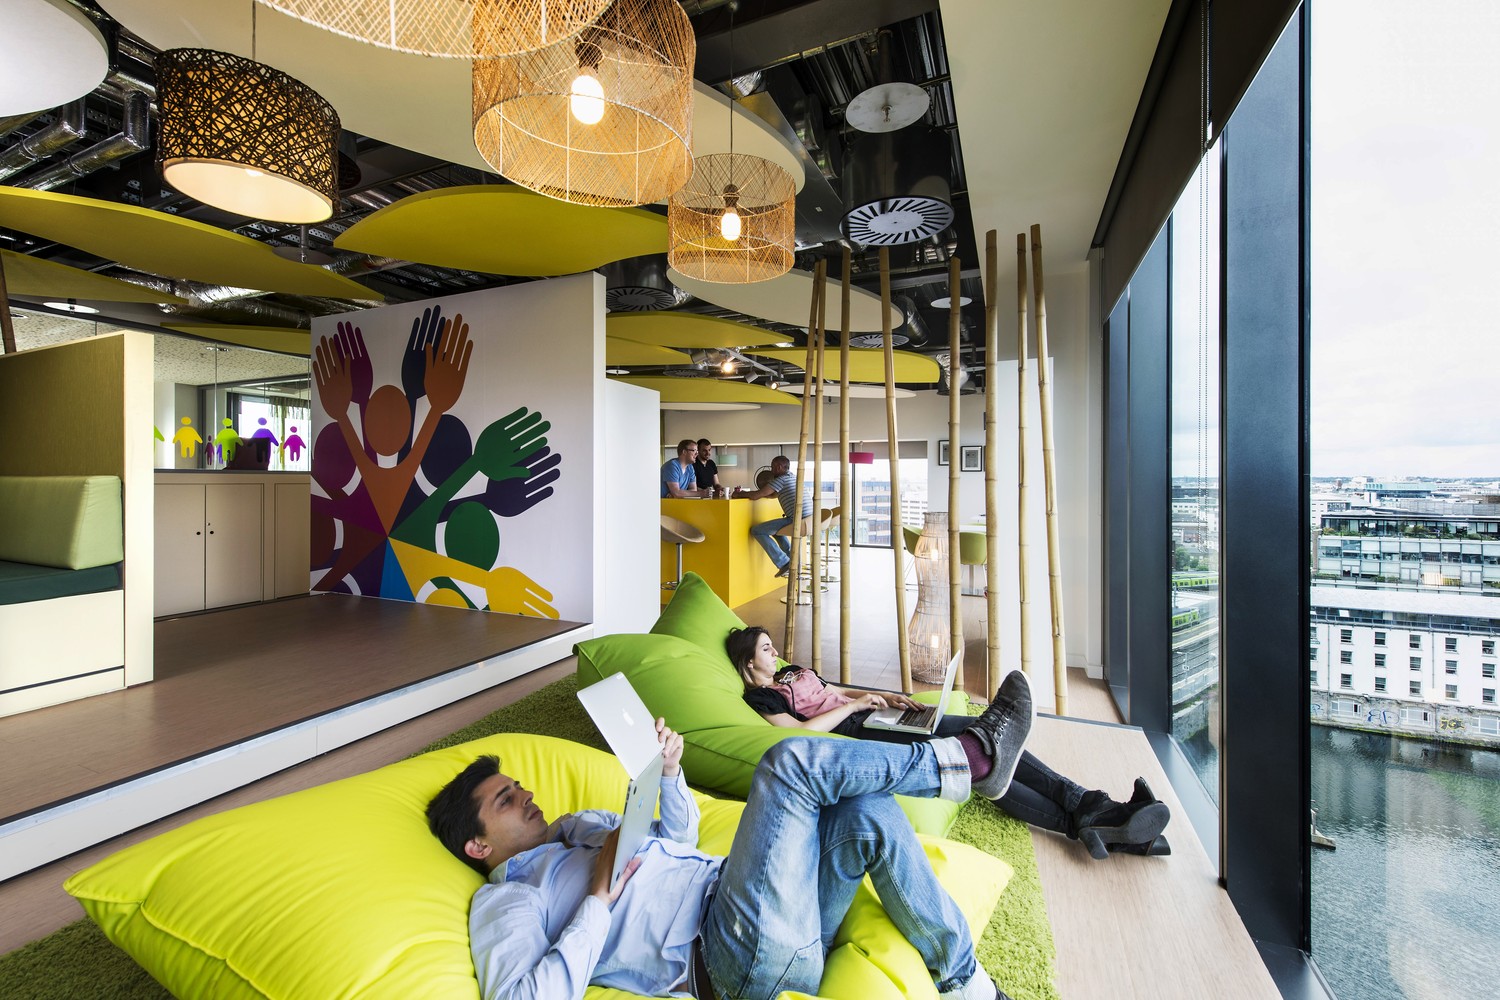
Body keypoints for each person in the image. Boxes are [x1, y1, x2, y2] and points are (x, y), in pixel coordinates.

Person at [428, 677, 1041, 1000]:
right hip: (728, 957)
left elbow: (680, 837)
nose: (527, 796)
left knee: (867, 810)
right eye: (506, 800)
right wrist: (598, 898)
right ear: (478, 846)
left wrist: (669, 773)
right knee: (786, 765)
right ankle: (969, 760)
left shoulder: (579, 826)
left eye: (517, 787)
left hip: (778, 919)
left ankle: (969, 986)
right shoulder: (506, 900)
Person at [727, 626, 1172, 859]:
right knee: (985, 744)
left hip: (873, 714)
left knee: (992, 750)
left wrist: (877, 696)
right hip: (859, 732)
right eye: (766, 650)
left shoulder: (790, 672)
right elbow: (796, 735)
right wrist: (855, 708)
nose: (775, 652)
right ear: (749, 666)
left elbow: (835, 692)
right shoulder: (761, 697)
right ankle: (1097, 812)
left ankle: (1100, 819)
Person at [736, 455, 811, 577]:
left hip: (797, 521)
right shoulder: (792, 477)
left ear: (779, 467)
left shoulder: (781, 480)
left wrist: (739, 494)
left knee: (757, 531)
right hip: (808, 520)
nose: (771, 470)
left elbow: (755, 496)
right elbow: (773, 495)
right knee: (775, 531)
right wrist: (760, 494)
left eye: (772, 467)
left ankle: (783, 562)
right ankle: (792, 560)